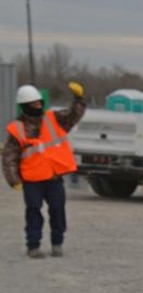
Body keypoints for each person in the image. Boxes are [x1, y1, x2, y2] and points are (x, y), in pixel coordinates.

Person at [3, 82, 86, 258]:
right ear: (25, 106)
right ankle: (33, 246)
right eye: (33, 104)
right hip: (32, 179)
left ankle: (57, 244)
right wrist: (14, 181)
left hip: (54, 177)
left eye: (39, 102)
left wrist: (78, 99)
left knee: (57, 210)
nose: (38, 106)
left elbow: (73, 115)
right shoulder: (17, 129)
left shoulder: (54, 118)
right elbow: (9, 158)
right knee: (33, 211)